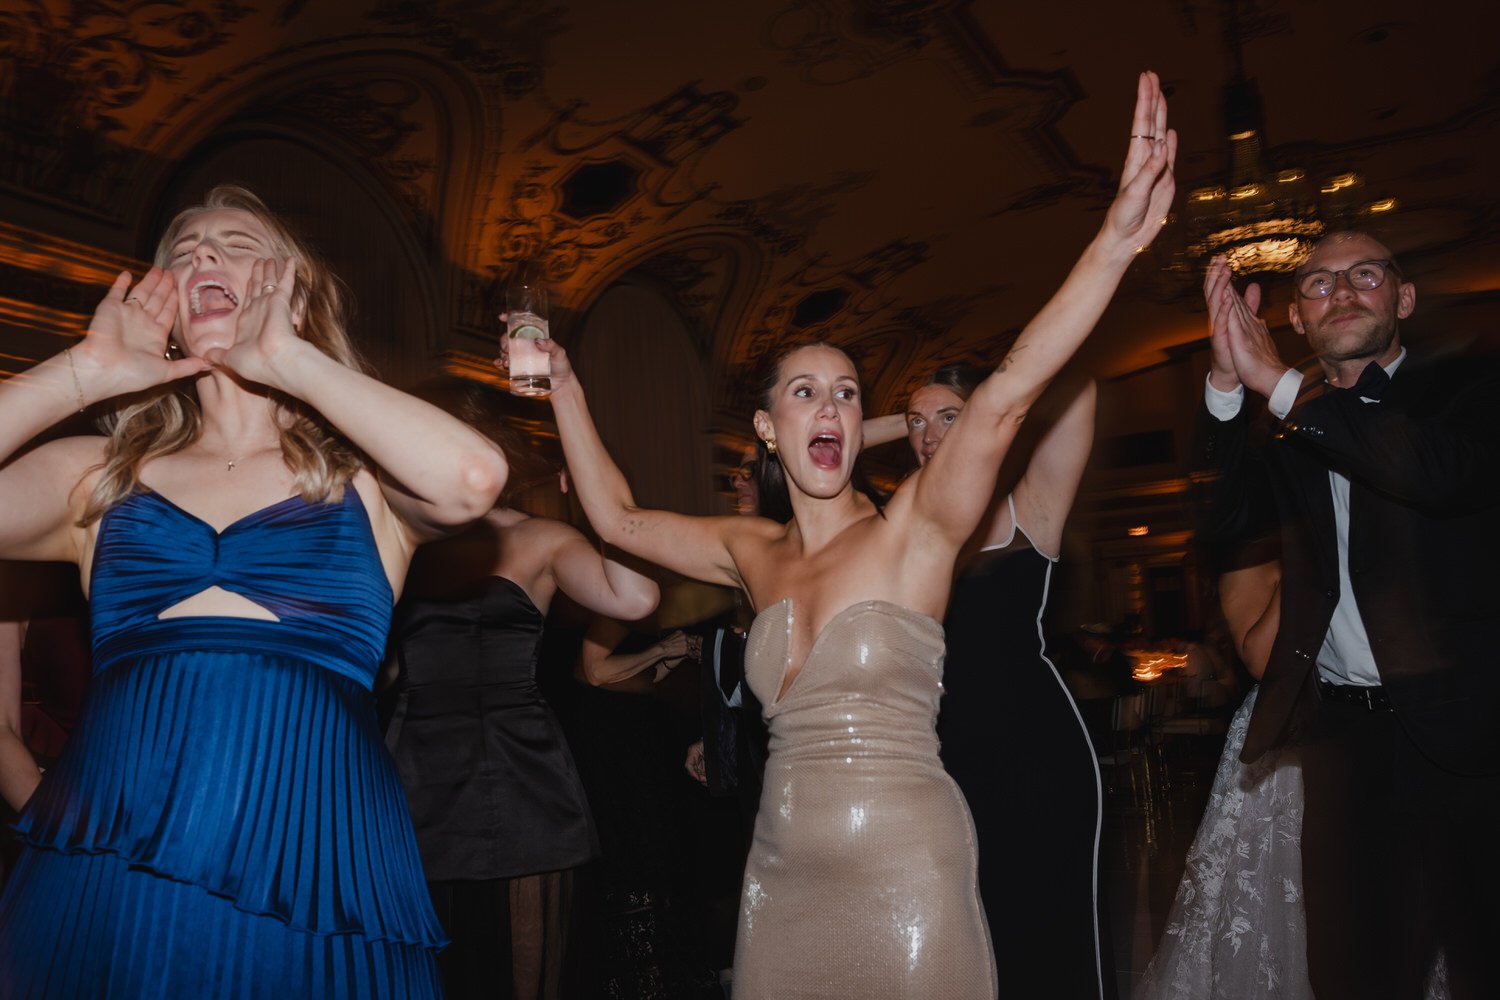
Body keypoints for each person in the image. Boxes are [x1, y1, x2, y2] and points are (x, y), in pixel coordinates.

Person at [510, 72, 1175, 998]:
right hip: (780, 874)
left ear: (863, 427)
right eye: (806, 391)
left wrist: (1115, 241)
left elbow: (1010, 391)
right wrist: (569, 387)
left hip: (909, 869)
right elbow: (616, 518)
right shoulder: (752, 551)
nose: (832, 404)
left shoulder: (917, 527)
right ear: (769, 428)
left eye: (850, 393)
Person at [0, 184, 508, 996]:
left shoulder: (366, 481)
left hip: (312, 853)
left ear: (291, 290)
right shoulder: (98, 481)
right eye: (184, 247)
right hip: (114, 840)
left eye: (237, 242)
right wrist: (84, 373)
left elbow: (474, 478)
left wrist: (287, 360)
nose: (203, 252)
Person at [1192, 232, 1500, 999]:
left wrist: (1280, 384)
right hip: (1347, 745)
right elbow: (1221, 520)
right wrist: (1230, 385)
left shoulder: (1472, 388)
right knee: (1356, 972)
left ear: (1403, 298)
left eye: (1365, 274)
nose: (1344, 291)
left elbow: (1432, 474)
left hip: (1476, 742)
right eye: (1321, 283)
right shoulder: (1292, 428)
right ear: (1297, 316)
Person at [380, 380, 660, 1000]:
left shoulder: (539, 539)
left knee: (528, 976)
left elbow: (635, 598)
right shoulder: (393, 536)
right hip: (409, 777)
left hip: (518, 774)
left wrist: (598, 511)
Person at [866, 370, 1113, 998]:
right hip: (936, 756)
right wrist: (915, 418)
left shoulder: (1028, 504)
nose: (927, 434)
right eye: (916, 423)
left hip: (1034, 748)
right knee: (961, 935)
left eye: (947, 417)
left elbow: (1081, 386)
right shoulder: (895, 523)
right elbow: (811, 451)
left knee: (1047, 929)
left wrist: (984, 411)